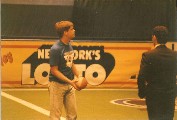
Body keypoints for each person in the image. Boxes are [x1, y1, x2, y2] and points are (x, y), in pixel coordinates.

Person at [137, 26, 177, 120]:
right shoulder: (175, 55)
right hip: (170, 94)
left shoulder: (148, 55)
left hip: (153, 95)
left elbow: (141, 76)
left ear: (154, 37)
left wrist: (142, 93)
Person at [48, 21, 81, 120]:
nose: (74, 30)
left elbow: (71, 62)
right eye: (72, 29)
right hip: (56, 86)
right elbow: (54, 71)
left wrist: (78, 76)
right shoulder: (56, 49)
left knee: (72, 116)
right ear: (65, 32)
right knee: (55, 117)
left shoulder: (69, 45)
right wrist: (70, 81)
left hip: (69, 85)